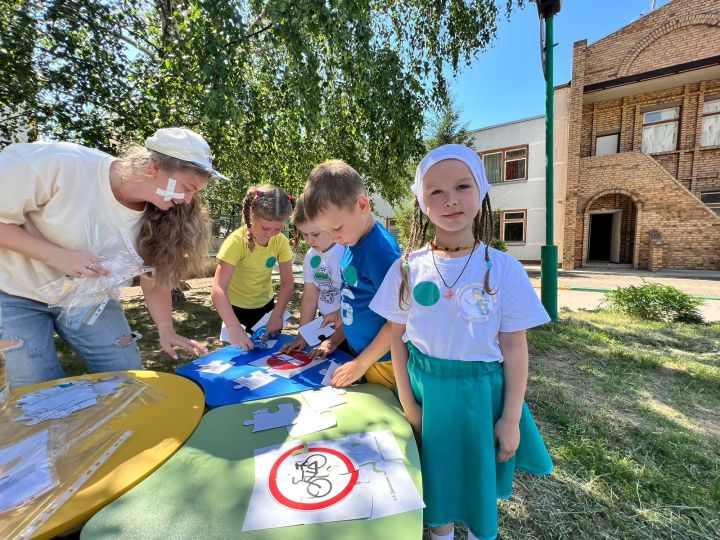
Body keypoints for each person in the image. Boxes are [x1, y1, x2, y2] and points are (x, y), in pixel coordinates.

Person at [369, 144, 553, 540]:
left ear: (482, 191)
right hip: (427, 395)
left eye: (462, 186)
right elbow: (397, 339)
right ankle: (442, 534)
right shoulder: (406, 268)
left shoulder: (503, 268)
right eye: (436, 191)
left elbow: (515, 347)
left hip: (482, 396)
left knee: (475, 477)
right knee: (437, 478)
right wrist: (408, 403)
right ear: (421, 202)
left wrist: (508, 417)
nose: (450, 199)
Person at [0, 127, 222, 389]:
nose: (187, 201)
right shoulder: (58, 164)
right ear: (153, 167)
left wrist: (166, 328)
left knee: (127, 379)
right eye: (187, 188)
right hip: (16, 292)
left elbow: (153, 278)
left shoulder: (162, 215)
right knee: (34, 388)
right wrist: (57, 256)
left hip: (89, 300)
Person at [302, 160, 401, 390]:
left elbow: (397, 322)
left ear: (363, 204)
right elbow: (356, 299)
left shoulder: (380, 253)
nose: (334, 238)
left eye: (336, 228)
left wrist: (360, 364)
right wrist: (334, 339)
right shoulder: (350, 242)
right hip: (360, 358)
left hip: (382, 364)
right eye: (326, 231)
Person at [211, 184, 294, 351]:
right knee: (238, 361)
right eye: (265, 228)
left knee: (267, 359)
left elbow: (287, 283)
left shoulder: (281, 242)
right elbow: (218, 288)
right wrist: (234, 328)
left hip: (266, 310)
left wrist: (277, 315)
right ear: (252, 216)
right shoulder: (235, 242)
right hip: (235, 311)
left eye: (278, 229)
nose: (271, 233)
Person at [279, 197, 347, 356]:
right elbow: (310, 297)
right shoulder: (310, 256)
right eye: (304, 235)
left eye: (315, 234)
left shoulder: (344, 252)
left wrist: (333, 341)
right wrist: (302, 336)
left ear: (329, 225)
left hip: (347, 326)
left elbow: (355, 306)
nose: (309, 240)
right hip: (323, 323)